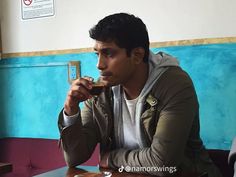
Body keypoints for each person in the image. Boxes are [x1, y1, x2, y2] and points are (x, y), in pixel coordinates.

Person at [58, 13, 222, 176]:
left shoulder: (175, 84)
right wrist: (70, 110)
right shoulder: (101, 90)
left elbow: (162, 163)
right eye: (97, 53)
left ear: (137, 55)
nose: (99, 65)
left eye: (109, 53)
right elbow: (74, 158)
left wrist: (112, 158)